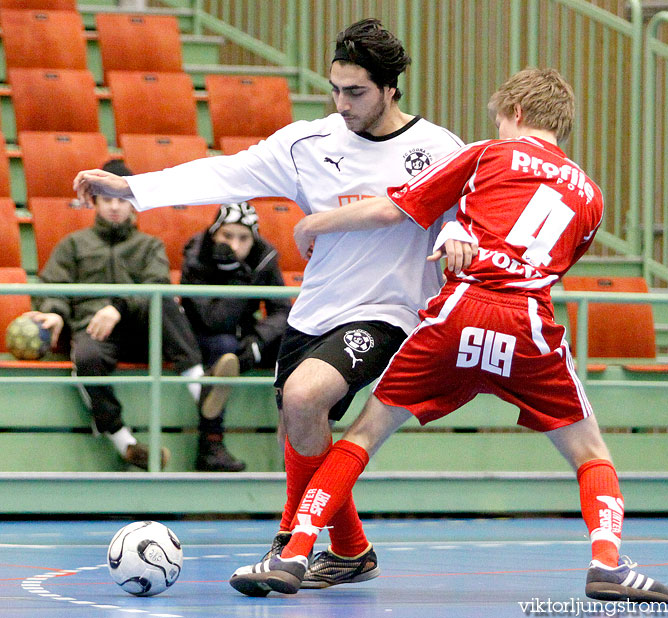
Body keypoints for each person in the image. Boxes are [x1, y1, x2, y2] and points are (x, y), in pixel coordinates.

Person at [227, 68, 668, 603]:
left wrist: (313, 225)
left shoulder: (488, 153)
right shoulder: (592, 197)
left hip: (460, 312)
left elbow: (394, 208)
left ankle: (296, 552)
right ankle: (607, 561)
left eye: (498, 120)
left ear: (514, 114)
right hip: (528, 324)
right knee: (590, 453)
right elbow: (546, 264)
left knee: (364, 435)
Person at [73, 19, 466, 588]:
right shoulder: (310, 143)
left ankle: (289, 544)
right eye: (335, 88)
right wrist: (135, 189)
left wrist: (464, 237)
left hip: (389, 311)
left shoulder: (435, 148)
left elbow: (472, 213)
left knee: (306, 398)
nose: (342, 102)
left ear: (390, 88)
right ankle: (351, 550)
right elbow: (225, 174)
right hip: (315, 310)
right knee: (297, 421)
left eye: (355, 91)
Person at [29, 160, 242, 472]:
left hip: (144, 331)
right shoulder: (73, 245)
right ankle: (126, 444)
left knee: (165, 301)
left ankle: (203, 390)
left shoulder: (149, 246)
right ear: (95, 202)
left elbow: (155, 284)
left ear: (134, 204)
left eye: (122, 200)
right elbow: (51, 288)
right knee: (85, 355)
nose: (115, 207)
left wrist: (117, 307)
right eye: (107, 199)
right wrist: (55, 314)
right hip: (95, 331)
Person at [181, 201, 291, 466]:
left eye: (243, 238)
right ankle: (211, 445)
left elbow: (283, 311)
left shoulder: (264, 255)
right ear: (214, 234)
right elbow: (214, 320)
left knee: (294, 346)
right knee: (224, 345)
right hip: (201, 334)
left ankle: (293, 442)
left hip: (246, 331)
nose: (235, 245)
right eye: (227, 236)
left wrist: (258, 343)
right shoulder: (197, 254)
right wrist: (237, 277)